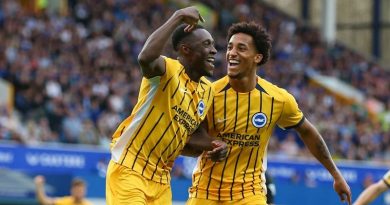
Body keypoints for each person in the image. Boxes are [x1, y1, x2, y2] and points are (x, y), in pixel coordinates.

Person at [184, 21, 352, 205]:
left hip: (249, 194)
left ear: (257, 57)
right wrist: (209, 145)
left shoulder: (278, 99)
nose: (232, 53)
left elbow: (307, 132)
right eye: (230, 47)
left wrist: (336, 175)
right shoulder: (208, 93)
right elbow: (189, 138)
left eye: (241, 48)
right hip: (205, 191)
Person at [105, 6, 227, 205]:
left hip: (162, 181)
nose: (214, 50)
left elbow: (192, 139)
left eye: (213, 45)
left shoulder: (208, 90)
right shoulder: (166, 70)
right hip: (130, 168)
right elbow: (145, 57)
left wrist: (215, 145)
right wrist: (178, 17)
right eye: (206, 44)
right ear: (186, 50)